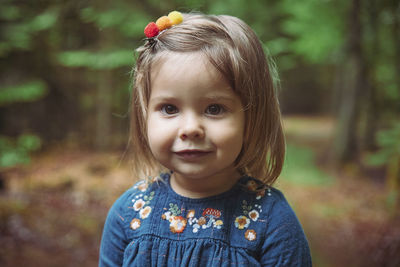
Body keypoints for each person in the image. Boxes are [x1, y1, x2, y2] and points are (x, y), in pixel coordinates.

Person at [99, 11, 312, 267]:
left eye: (214, 109)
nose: (190, 129)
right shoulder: (128, 214)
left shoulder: (272, 222)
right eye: (169, 108)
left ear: (251, 117)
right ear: (144, 113)